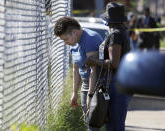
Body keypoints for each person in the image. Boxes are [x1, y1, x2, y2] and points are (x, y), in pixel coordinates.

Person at [86, 2, 131, 131]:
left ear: (108, 20)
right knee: (113, 124)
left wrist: (94, 62)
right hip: (119, 82)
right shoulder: (121, 31)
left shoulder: (115, 35)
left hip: (115, 84)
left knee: (114, 125)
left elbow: (114, 63)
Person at [54, 16, 103, 131]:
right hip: (85, 85)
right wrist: (75, 92)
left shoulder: (90, 39)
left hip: (97, 85)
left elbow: (93, 71)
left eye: (66, 39)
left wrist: (90, 97)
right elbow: (76, 68)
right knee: (88, 123)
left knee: (93, 125)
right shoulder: (74, 43)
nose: (66, 43)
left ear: (74, 32)